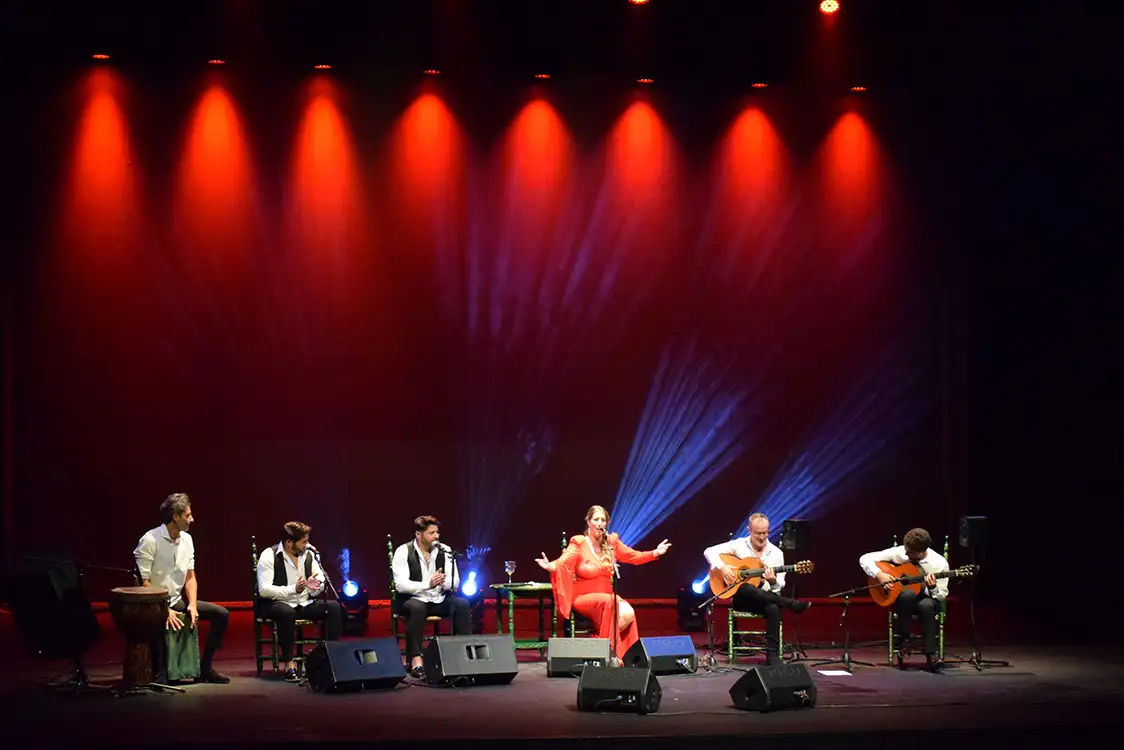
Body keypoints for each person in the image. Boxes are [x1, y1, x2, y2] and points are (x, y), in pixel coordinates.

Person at [535, 505, 671, 659]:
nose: (600, 523)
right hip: (583, 597)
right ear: (588, 521)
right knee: (610, 603)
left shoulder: (611, 543)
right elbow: (563, 563)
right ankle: (605, 653)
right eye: (596, 519)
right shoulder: (578, 542)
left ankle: (604, 645)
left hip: (608, 596)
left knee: (629, 613)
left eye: (603, 520)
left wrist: (654, 553)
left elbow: (633, 556)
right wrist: (550, 566)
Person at [134, 493, 230, 683]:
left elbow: (190, 576)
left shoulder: (187, 540)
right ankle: (161, 673)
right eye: (187, 515)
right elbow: (142, 582)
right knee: (161, 627)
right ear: (175, 516)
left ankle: (205, 668)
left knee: (221, 614)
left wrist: (193, 605)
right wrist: (164, 610)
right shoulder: (150, 540)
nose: (192, 519)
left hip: (176, 599)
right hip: (152, 603)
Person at [702, 512, 810, 666]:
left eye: (766, 533)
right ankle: (788, 603)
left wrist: (772, 581)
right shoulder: (739, 545)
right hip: (742, 599)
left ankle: (772, 656)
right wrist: (723, 567)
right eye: (758, 533)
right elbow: (708, 551)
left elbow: (779, 585)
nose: (762, 537)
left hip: (764, 599)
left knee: (773, 608)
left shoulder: (776, 554)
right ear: (749, 530)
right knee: (746, 587)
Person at [256, 521, 343, 682]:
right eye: (303, 541)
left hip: (304, 603)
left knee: (334, 608)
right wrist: (292, 589)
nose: (307, 544)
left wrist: (313, 587)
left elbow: (320, 580)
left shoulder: (309, 555)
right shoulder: (269, 555)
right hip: (277, 604)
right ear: (289, 542)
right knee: (285, 612)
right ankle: (289, 664)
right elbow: (264, 590)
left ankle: (329, 659)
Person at [391, 515, 473, 678]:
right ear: (419, 534)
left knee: (462, 604)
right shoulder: (403, 551)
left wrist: (443, 583)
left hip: (439, 598)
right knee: (417, 607)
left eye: (437, 532)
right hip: (412, 599)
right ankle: (416, 661)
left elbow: (455, 582)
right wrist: (428, 584)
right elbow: (400, 585)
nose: (436, 536)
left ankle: (466, 656)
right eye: (431, 533)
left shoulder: (446, 550)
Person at [859, 527, 948, 672]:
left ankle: (931, 655)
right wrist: (879, 574)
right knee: (908, 595)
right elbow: (864, 558)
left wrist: (932, 588)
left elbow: (941, 595)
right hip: (903, 599)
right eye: (905, 549)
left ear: (922, 552)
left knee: (927, 606)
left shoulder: (939, 563)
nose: (905, 554)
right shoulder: (901, 552)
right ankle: (903, 641)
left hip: (928, 597)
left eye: (910, 552)